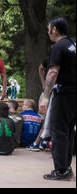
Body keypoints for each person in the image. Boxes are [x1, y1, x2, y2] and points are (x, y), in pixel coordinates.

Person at [39, 17, 76, 181]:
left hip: (64, 93)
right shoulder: (73, 44)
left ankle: (61, 170)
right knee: (68, 131)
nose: (48, 32)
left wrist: (45, 97)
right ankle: (66, 167)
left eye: (49, 28)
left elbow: (53, 72)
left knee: (58, 130)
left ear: (54, 29)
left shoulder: (58, 47)